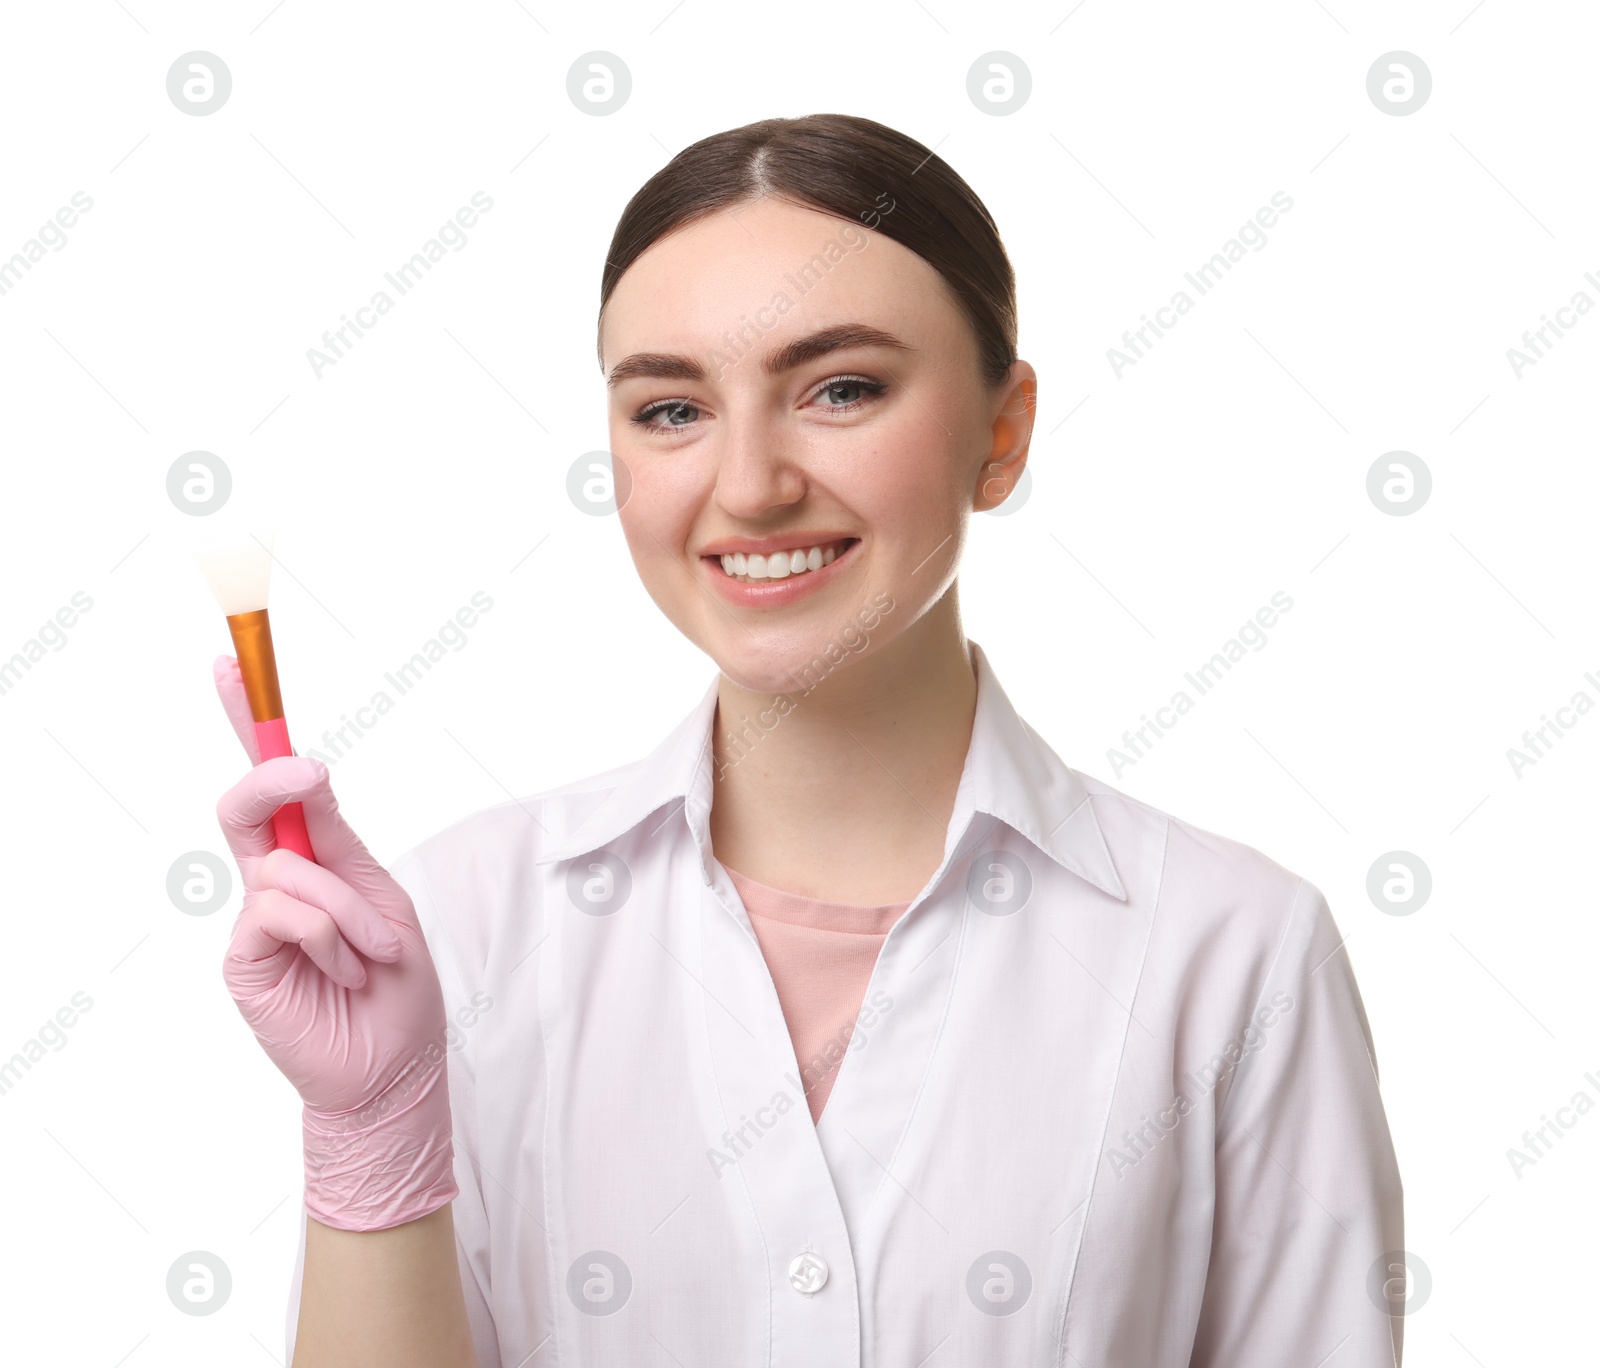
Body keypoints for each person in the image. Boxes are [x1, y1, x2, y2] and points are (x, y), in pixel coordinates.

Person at [214, 113, 1404, 1368]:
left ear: (1002, 432)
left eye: (842, 388)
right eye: (670, 409)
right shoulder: (460, 924)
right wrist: (371, 1137)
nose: (749, 483)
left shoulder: (1231, 954)